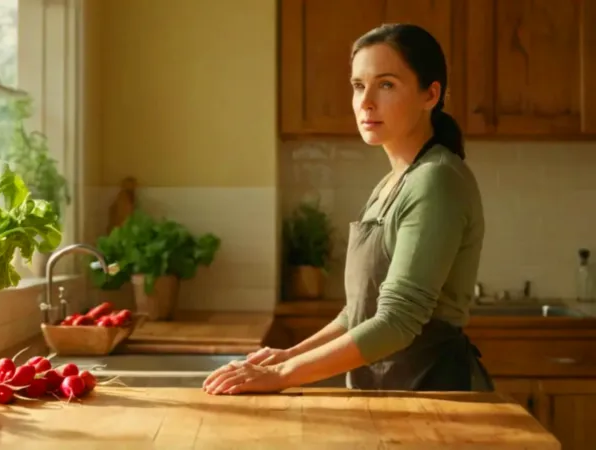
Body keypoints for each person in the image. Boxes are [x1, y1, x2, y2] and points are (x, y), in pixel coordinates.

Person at [203, 23, 493, 395]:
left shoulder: (436, 180)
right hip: (388, 394)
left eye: (386, 84)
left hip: (432, 396)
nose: (366, 101)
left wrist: (282, 375)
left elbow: (397, 321)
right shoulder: (393, 182)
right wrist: (288, 355)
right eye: (359, 86)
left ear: (430, 94)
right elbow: (360, 312)